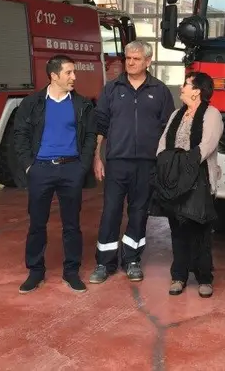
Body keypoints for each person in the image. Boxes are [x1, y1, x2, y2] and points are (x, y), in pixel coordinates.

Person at [89, 40, 176, 284]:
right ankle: (104, 263)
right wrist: (97, 158)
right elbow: (100, 125)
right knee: (111, 211)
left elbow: (168, 129)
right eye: (128, 58)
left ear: (148, 61)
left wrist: (163, 162)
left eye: (136, 59)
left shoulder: (160, 91)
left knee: (139, 212)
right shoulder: (112, 89)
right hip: (117, 162)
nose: (130, 62)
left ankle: (132, 260)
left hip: (147, 163)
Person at [14, 54, 98, 294]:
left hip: (71, 169)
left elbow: (90, 135)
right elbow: (19, 135)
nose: (74, 77)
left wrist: (82, 166)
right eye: (69, 72)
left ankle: (71, 272)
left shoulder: (82, 105)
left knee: (72, 225)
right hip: (41, 170)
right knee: (37, 224)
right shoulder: (32, 103)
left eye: (74, 72)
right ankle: (35, 271)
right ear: (54, 75)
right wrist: (29, 166)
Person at [153, 72, 223, 298]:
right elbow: (163, 143)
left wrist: (182, 165)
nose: (181, 88)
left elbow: (206, 146)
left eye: (186, 84)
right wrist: (166, 163)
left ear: (197, 91)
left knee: (201, 231)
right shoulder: (177, 114)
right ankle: (179, 276)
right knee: (178, 230)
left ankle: (204, 278)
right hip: (174, 181)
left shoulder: (212, 114)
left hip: (198, 180)